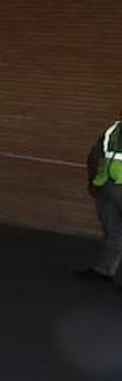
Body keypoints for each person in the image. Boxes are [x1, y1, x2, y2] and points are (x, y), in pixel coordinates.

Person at [76, 113, 121, 284]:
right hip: (108, 188)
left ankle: (104, 270)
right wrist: (94, 181)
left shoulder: (114, 129)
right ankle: (104, 270)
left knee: (114, 231)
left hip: (109, 187)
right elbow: (95, 155)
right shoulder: (114, 129)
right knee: (113, 230)